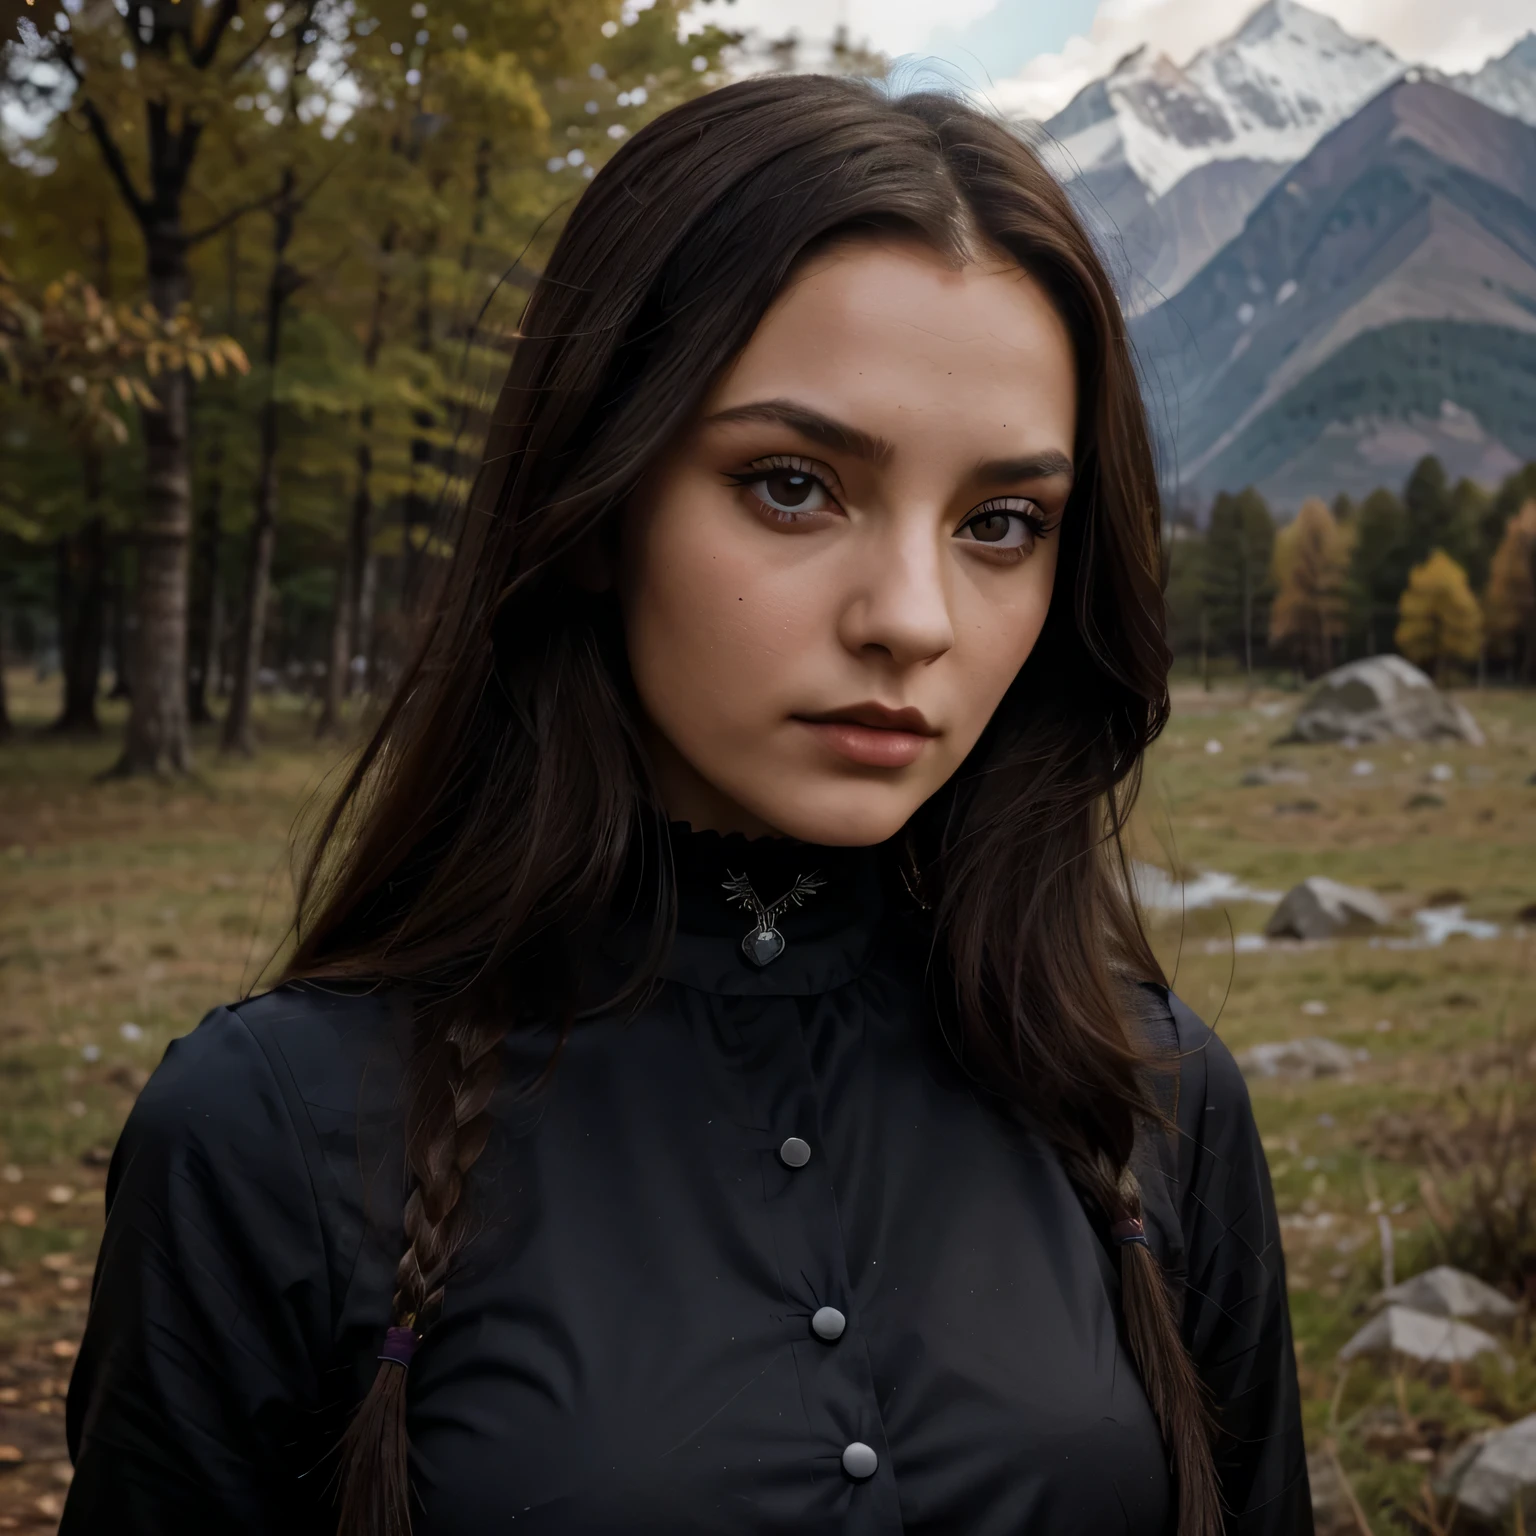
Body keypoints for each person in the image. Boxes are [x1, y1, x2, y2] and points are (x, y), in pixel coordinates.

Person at [62, 75, 1310, 1536]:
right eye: (792, 485)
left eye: (1001, 524)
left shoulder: (1158, 1103)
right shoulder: (265, 1139)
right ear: (598, 505)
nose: (914, 619)